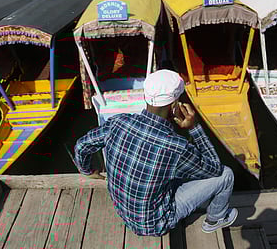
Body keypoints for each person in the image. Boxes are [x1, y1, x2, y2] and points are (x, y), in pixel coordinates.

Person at [74, 69, 237, 236]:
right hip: (155, 223)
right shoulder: (176, 147)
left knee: (174, 168)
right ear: (174, 105)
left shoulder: (118, 122)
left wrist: (88, 170)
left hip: (123, 210)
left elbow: (81, 146)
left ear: (146, 97)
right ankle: (215, 219)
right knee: (226, 174)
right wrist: (194, 128)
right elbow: (215, 169)